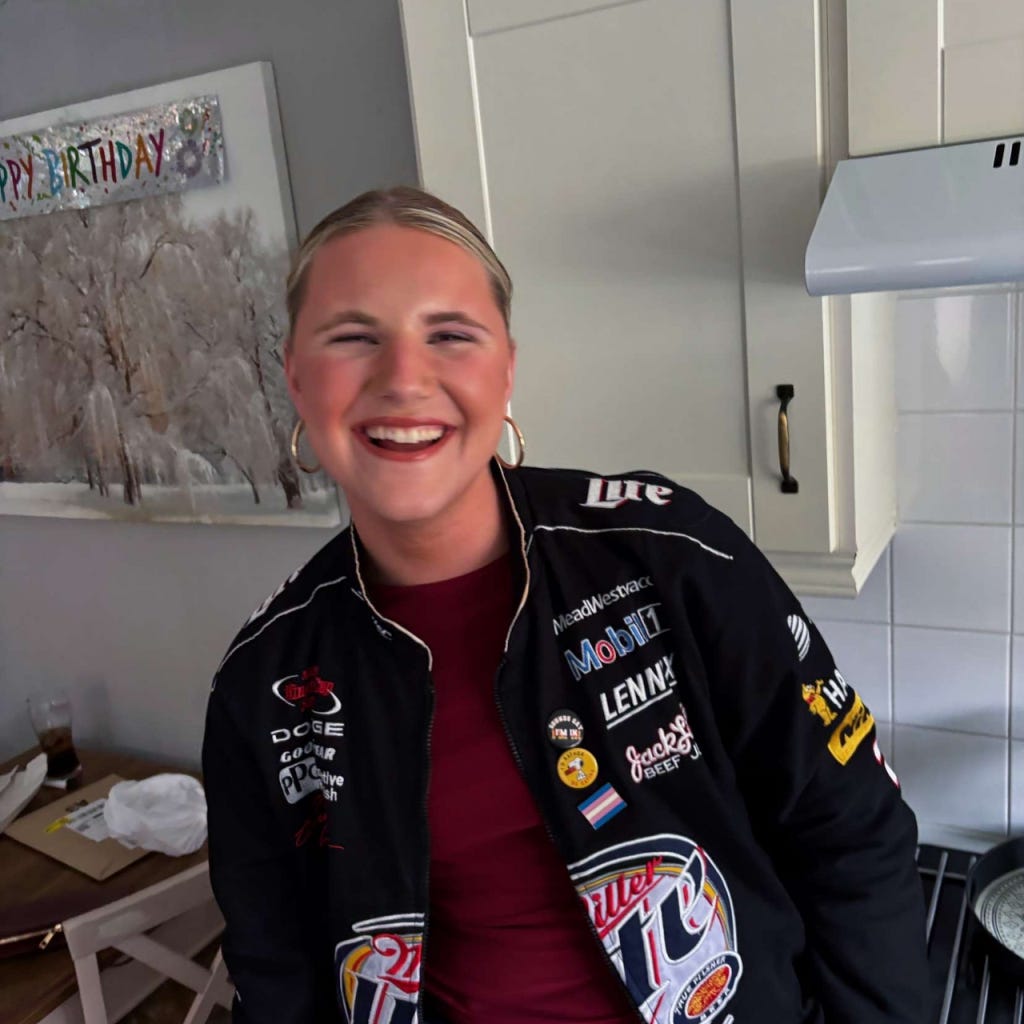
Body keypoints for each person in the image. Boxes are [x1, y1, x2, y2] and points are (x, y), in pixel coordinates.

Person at [202, 186, 928, 1024]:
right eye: (353, 337)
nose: (404, 378)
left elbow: (853, 836)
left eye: (450, 335)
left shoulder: (671, 556)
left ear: (506, 369)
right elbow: (277, 974)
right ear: (296, 377)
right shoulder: (264, 681)